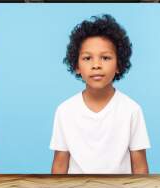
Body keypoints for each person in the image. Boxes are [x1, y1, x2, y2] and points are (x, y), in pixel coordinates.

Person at [50, 14, 151, 174]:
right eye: (87, 58)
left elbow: (139, 166)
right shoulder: (65, 110)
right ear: (76, 65)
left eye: (105, 57)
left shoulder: (132, 110)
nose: (96, 65)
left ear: (119, 65)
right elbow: (60, 164)